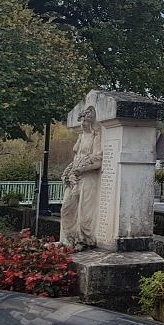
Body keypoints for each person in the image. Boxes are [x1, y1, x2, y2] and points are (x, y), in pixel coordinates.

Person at [60, 106, 103, 249]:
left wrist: (82, 169)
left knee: (84, 212)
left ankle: (83, 240)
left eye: (86, 120)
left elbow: (98, 161)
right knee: (66, 207)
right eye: (82, 120)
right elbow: (76, 156)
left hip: (88, 178)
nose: (83, 123)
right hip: (74, 177)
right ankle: (70, 237)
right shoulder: (81, 136)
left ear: (91, 122)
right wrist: (70, 172)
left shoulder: (95, 136)